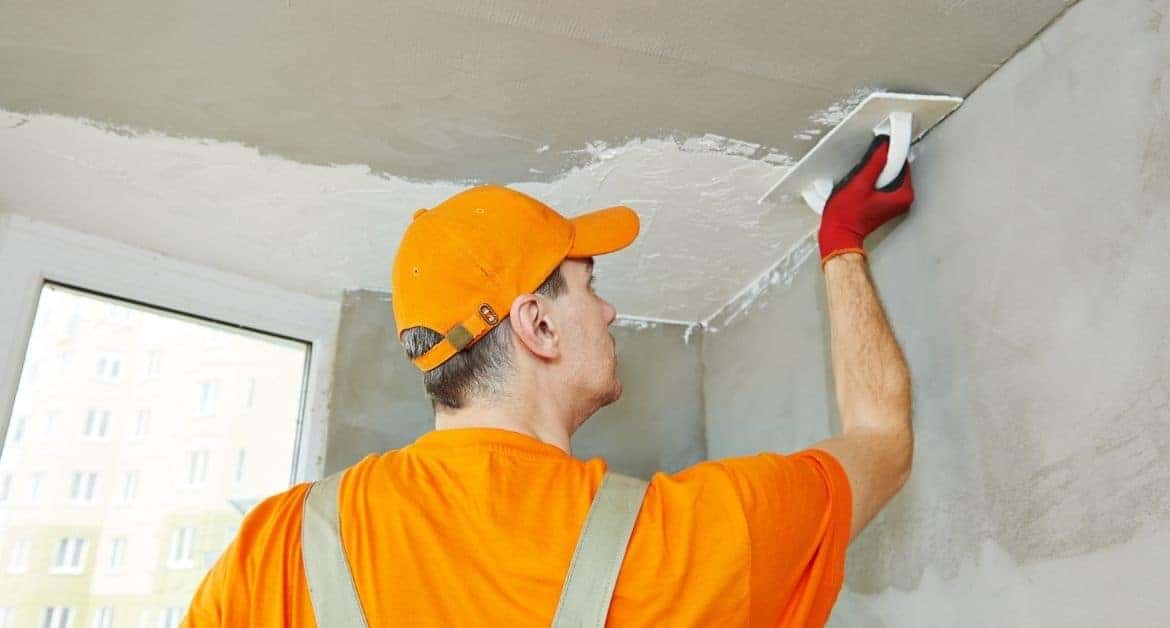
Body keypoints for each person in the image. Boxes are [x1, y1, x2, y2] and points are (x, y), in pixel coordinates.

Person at [183, 136, 914, 627]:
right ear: (536, 325)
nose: (608, 309)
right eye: (587, 284)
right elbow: (882, 441)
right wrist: (840, 244)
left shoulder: (278, 548)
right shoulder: (682, 543)